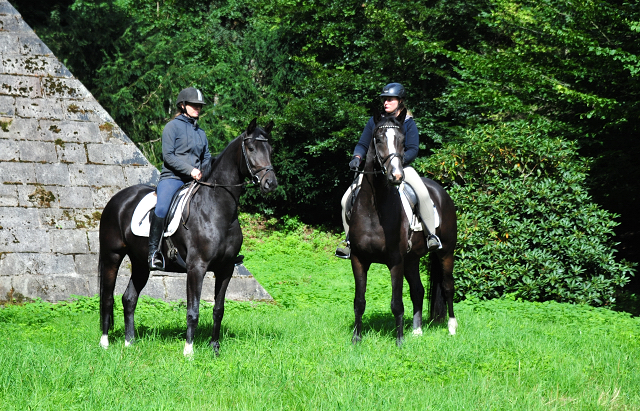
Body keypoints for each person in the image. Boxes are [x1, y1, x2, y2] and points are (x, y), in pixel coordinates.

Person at [335, 82, 442, 259]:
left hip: (401, 168)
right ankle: (348, 242)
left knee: (423, 194)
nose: (386, 103)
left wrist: (396, 165)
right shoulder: (375, 121)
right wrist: (357, 157)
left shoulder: (407, 122)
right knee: (345, 198)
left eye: (390, 100)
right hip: (376, 171)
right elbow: (362, 144)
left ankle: (431, 235)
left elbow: (413, 149)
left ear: (400, 101)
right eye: (384, 100)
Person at [148, 87, 210, 270]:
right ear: (183, 105)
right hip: (173, 178)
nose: (197, 108)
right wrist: (191, 170)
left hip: (195, 180)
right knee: (162, 208)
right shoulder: (171, 127)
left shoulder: (201, 133)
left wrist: (204, 171)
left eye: (199, 106)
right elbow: (168, 156)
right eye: (194, 105)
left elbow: (206, 157)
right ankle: (153, 253)